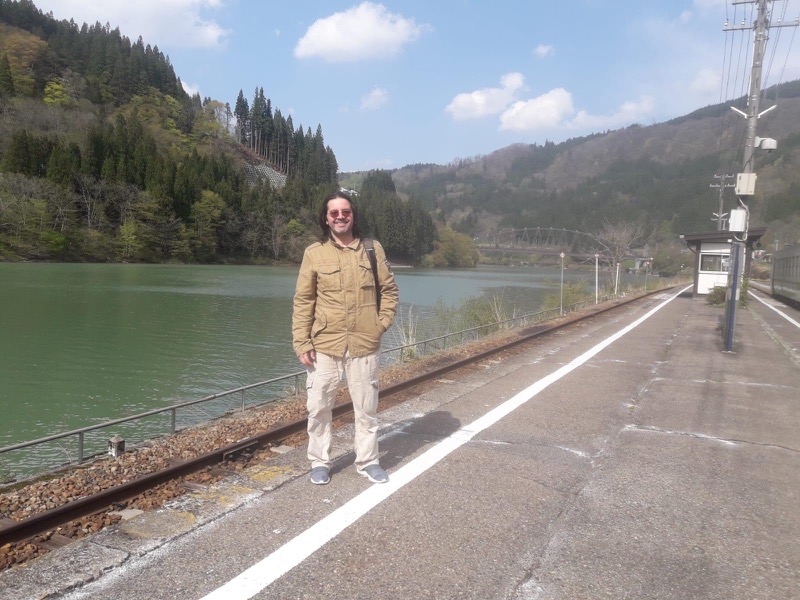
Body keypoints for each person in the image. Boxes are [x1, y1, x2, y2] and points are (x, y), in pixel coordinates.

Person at [292, 191, 399, 485]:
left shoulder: (372, 249)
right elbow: (303, 300)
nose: (340, 217)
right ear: (326, 219)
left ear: (353, 216)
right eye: (334, 213)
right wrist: (301, 341)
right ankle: (319, 462)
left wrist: (380, 324)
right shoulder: (314, 253)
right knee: (318, 407)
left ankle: (368, 461)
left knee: (366, 409)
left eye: (345, 212)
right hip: (324, 344)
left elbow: (389, 290)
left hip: (365, 343)